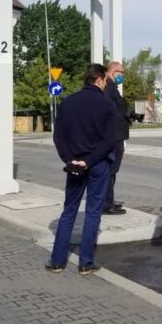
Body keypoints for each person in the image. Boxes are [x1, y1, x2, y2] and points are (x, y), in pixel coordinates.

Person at [46, 64, 118, 276]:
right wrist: (90, 161)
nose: (106, 84)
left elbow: (58, 136)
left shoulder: (67, 102)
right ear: (99, 80)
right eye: (105, 80)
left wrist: (71, 160)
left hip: (74, 166)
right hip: (98, 165)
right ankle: (86, 262)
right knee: (93, 213)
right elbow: (109, 140)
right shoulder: (107, 105)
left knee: (69, 211)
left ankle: (57, 261)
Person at [103, 61, 133, 216]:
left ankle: (109, 200)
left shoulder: (111, 87)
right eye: (122, 72)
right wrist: (127, 112)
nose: (123, 76)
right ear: (113, 72)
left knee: (112, 171)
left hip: (116, 135)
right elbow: (113, 111)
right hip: (114, 136)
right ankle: (106, 204)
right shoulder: (108, 87)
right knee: (110, 170)